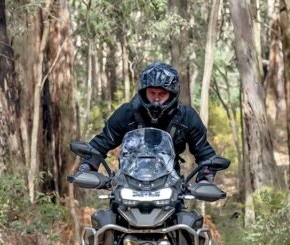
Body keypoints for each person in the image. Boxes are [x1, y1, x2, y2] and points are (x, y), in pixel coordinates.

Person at [78, 62, 218, 182]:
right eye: (152, 93)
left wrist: (205, 178)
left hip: (171, 188)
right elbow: (102, 143)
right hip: (127, 185)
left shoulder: (187, 116)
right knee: (105, 214)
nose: (156, 99)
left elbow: (205, 152)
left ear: (172, 94)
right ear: (144, 92)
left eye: (162, 94)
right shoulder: (127, 112)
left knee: (190, 215)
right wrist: (88, 166)